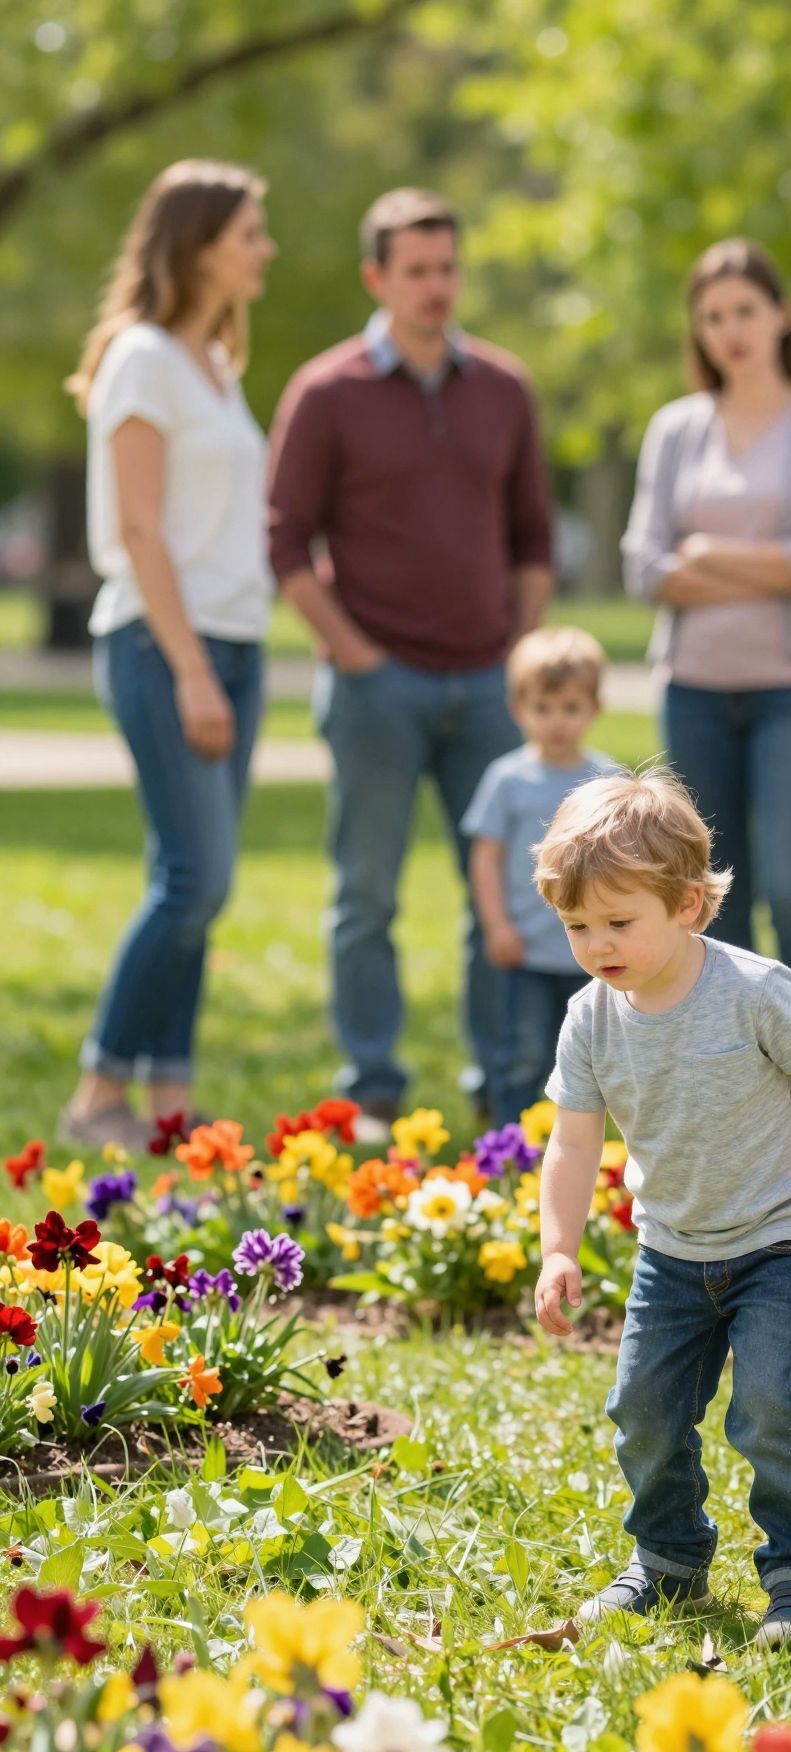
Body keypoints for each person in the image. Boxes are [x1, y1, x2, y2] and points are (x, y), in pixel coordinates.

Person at [532, 770, 791, 1647]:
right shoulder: (590, 1018)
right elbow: (574, 1143)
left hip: (780, 1239)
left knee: (771, 1406)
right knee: (643, 1410)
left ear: (689, 905)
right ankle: (668, 1559)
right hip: (672, 1248)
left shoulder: (753, 990)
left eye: (618, 922)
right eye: (577, 926)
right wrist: (557, 1248)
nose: (597, 944)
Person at [266, 188, 553, 1143]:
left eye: (447, 268)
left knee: (508, 896)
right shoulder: (326, 391)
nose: (436, 287)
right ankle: (372, 1090)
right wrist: (355, 654)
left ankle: (506, 1088)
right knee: (366, 896)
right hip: (375, 689)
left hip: (490, 687)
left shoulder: (504, 387)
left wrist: (522, 653)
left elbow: (534, 537)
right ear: (376, 277)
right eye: (416, 270)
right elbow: (284, 540)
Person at [59, 160, 277, 1152]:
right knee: (194, 879)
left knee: (196, 882)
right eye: (249, 233)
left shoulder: (215, 365)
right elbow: (140, 529)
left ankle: (170, 1109)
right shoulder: (143, 358)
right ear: (197, 246)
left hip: (235, 641)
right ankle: (98, 1090)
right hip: (162, 642)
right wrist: (190, 668)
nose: (265, 249)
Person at [622, 239, 791, 1024]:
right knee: (713, 898)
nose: (731, 330)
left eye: (745, 310)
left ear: (782, 314)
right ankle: (731, 1067)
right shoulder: (677, 428)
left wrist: (706, 556)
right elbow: (643, 567)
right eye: (713, 315)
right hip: (693, 691)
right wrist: (764, 565)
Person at [462, 626, 615, 1126]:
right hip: (526, 950)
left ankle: (588, 1145)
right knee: (524, 1053)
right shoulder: (507, 779)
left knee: (594, 1055)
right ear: (518, 710)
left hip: (594, 950)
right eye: (543, 708)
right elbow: (486, 858)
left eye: (570, 707)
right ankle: (513, 1145)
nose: (557, 722)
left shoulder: (606, 781)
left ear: (594, 708)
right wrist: (497, 926)